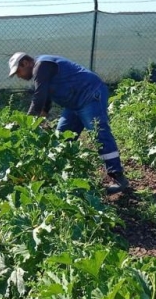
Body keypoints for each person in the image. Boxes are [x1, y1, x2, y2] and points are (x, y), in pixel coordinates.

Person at [8, 52, 129, 194]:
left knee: (99, 134)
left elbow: (39, 96)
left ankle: (118, 177)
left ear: (26, 63)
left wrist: (26, 123)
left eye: (18, 71)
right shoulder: (41, 72)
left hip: (90, 94)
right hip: (73, 105)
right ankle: (63, 177)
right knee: (62, 139)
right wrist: (41, 120)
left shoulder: (42, 65)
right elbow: (45, 98)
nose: (19, 76)